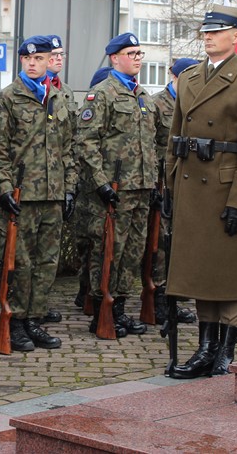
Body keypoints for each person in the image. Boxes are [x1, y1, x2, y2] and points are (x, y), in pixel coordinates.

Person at [165, 4, 237, 379]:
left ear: (235, 36)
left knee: (226, 274)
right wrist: (169, 186)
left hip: (225, 189)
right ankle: (205, 347)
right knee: (199, 272)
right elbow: (175, 137)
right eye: (205, 31)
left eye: (217, 30)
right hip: (192, 186)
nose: (208, 36)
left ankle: (225, 349)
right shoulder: (191, 77)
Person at [0, 36, 76, 352]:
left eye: (40, 58)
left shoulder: (57, 96)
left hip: (52, 193)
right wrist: (4, 188)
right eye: (29, 59)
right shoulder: (9, 98)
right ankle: (15, 322)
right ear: (22, 61)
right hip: (22, 195)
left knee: (46, 262)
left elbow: (68, 146)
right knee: (18, 263)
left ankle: (34, 320)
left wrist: (69, 187)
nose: (34, 63)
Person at [77, 32, 157, 339]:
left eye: (140, 53)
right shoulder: (102, 95)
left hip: (142, 188)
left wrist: (155, 183)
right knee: (108, 250)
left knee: (133, 252)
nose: (137, 58)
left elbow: (152, 143)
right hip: (114, 189)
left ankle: (120, 309)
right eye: (131, 53)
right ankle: (102, 311)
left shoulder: (143, 96)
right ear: (115, 58)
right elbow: (85, 142)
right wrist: (100, 183)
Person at [148, 57, 198, 326]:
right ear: (174, 77)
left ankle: (174, 297)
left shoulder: (194, 104)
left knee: (180, 242)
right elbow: (148, 144)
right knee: (161, 244)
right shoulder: (157, 104)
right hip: (162, 182)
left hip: (187, 183)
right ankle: (158, 299)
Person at [41, 35, 76, 325]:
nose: (58, 59)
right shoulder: (24, 92)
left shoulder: (65, 92)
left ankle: (40, 302)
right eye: (53, 54)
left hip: (57, 181)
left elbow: (69, 143)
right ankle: (24, 307)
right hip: (30, 185)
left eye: (61, 54)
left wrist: (70, 185)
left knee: (48, 253)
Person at [72, 66, 113, 310]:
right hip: (90, 186)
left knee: (99, 243)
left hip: (103, 184)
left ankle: (90, 292)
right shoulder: (91, 108)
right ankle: (86, 290)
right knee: (88, 242)